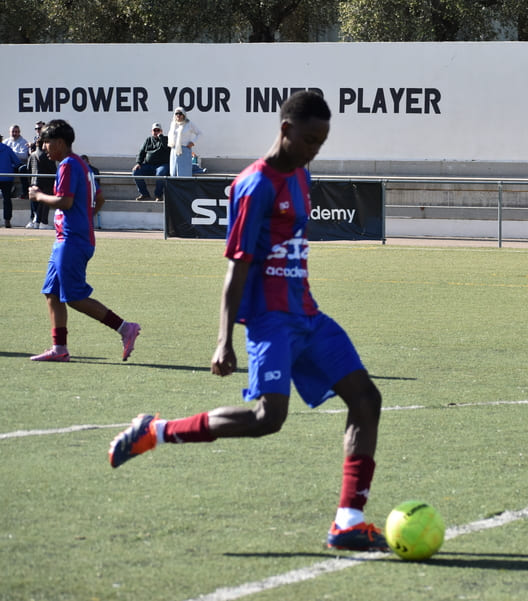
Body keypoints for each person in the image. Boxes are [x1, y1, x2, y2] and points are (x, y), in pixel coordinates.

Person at [108, 91, 389, 552]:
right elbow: (236, 266)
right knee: (267, 419)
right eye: (310, 139)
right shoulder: (253, 185)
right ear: (285, 130)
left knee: (366, 399)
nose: (315, 149)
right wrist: (224, 340)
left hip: (308, 315)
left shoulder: (301, 175)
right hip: (270, 322)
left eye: (322, 141)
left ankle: (348, 522)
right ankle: (155, 431)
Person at [27, 119, 141, 362]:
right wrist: (84, 218)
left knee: (75, 297)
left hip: (71, 240)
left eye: (46, 142)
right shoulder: (82, 165)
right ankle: (59, 349)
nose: (44, 147)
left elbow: (65, 202)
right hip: (70, 238)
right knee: (52, 293)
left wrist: (39, 196)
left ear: (59, 142)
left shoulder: (68, 165)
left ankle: (125, 328)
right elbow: (99, 199)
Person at [133, 122, 170, 200]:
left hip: (161, 165)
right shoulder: (148, 140)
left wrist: (161, 137)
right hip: (149, 165)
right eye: (154, 130)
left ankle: (158, 195)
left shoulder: (165, 139)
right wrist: (138, 163)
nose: (156, 132)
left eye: (158, 130)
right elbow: (142, 152)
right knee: (136, 172)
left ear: (161, 131)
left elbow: (167, 147)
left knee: (160, 174)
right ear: (152, 131)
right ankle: (144, 194)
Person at [25, 143, 56, 229]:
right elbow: (53, 169)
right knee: (45, 203)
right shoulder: (47, 155)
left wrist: (30, 182)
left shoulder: (32, 155)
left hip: (34, 182)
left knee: (38, 204)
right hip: (46, 182)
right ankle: (43, 222)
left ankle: (36, 221)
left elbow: (28, 169)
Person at [167, 107, 201, 177]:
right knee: (174, 173)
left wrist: (193, 142)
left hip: (185, 150)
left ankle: (184, 187)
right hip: (174, 150)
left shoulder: (189, 124)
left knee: (184, 173)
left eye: (180, 113)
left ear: (184, 115)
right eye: (176, 114)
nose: (178, 115)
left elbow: (199, 134)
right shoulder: (173, 124)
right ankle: (174, 188)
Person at [0, 136, 21, 228]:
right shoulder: (7, 149)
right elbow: (17, 162)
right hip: (7, 177)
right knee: (7, 199)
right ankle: (7, 221)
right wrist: (10, 166)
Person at [5, 124, 31, 198]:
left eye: (16, 132)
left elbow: (24, 156)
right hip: (8, 164)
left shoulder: (23, 142)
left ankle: (25, 192)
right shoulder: (6, 142)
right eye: (13, 131)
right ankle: (7, 190)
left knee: (22, 169)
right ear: (9, 132)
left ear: (19, 132)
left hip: (19, 164)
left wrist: (11, 153)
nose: (14, 133)